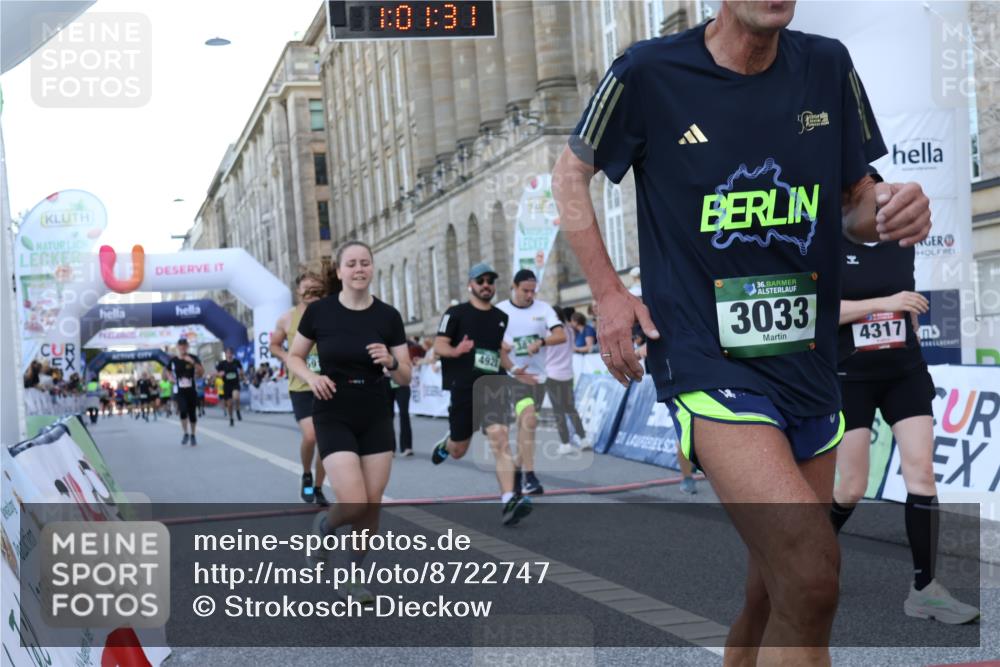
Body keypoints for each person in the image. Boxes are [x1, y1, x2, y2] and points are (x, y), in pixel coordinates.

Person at [551, 1, 931, 662]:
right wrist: (608, 291)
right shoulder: (648, 71)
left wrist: (894, 207)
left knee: (774, 593)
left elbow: (853, 205)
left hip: (809, 362)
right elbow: (570, 171)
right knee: (813, 576)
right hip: (708, 360)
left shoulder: (827, 65)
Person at [831, 235, 979, 624]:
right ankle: (812, 553)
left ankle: (924, 590)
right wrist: (886, 304)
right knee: (851, 487)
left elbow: (905, 299)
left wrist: (906, 315)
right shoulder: (826, 244)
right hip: (850, 377)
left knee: (922, 473)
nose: (880, 212)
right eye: (870, 201)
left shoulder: (900, 245)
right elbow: (819, 312)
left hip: (904, 373)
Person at [287, 241, 411, 604]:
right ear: (339, 272)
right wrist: (312, 379)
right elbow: (294, 357)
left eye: (365, 263)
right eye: (352, 264)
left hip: (375, 409)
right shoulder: (320, 313)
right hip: (333, 408)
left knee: (372, 505)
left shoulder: (388, 316)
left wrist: (389, 361)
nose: (359, 269)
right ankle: (325, 527)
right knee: (354, 502)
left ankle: (354, 577)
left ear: (372, 269)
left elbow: (405, 375)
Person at [430, 263, 533, 525]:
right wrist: (457, 351)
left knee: (500, 437)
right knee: (458, 450)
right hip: (463, 387)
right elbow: (439, 345)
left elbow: (497, 351)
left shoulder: (500, 317)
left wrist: (514, 369)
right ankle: (448, 443)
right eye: (481, 280)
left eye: (490, 280)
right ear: (470, 284)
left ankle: (509, 498)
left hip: (493, 386)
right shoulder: (454, 314)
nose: (486, 284)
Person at [496, 269, 566, 496]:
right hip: (512, 376)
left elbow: (561, 335)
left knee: (528, 425)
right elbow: (486, 339)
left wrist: (541, 341)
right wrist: (500, 345)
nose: (529, 295)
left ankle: (518, 468)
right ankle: (530, 476)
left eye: (532, 291)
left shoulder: (543, 309)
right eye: (525, 290)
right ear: (513, 288)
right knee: (527, 418)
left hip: (537, 377)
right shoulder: (500, 311)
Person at [270, 271, 330, 505]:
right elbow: (274, 345)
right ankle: (306, 473)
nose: (311, 293)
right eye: (307, 289)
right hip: (301, 386)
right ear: (298, 291)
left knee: (326, 440)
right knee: (311, 434)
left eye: (316, 289)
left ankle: (318, 487)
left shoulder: (331, 314)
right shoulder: (287, 318)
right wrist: (288, 358)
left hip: (327, 383)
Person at [546, 307, 592, 455]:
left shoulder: (549, 333)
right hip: (567, 374)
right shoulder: (570, 331)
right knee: (571, 408)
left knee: (558, 411)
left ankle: (565, 443)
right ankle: (583, 439)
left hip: (552, 374)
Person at [165, 338, 205, 446]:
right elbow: (167, 370)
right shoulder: (173, 360)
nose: (182, 347)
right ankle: (185, 433)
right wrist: (170, 377)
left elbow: (201, 372)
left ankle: (193, 435)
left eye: (184, 345)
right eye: (180, 345)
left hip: (191, 389)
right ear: (178, 347)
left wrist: (192, 362)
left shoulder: (193, 358)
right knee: (183, 411)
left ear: (187, 346)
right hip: (180, 390)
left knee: (192, 414)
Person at [215, 348, 245, 427]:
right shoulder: (222, 363)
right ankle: (231, 417)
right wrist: (219, 374)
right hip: (227, 385)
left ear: (232, 354)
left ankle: (238, 410)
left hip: (235, 383)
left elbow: (241, 369)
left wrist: (242, 374)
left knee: (236, 397)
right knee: (229, 404)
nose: (229, 355)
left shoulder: (236, 361)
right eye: (227, 353)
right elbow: (217, 373)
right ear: (225, 354)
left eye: (230, 353)